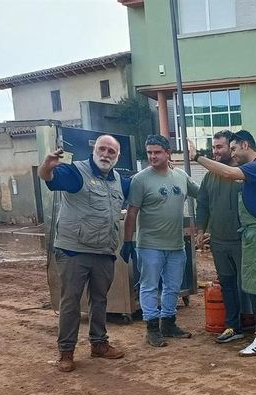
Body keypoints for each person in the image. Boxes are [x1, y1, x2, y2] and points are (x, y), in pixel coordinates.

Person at [190, 130, 256, 356]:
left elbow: (227, 172)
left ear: (245, 145)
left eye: (233, 148)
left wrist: (197, 157)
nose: (233, 154)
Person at [39, 135, 128, 372]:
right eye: (102, 149)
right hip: (74, 250)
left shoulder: (119, 180)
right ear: (94, 150)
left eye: (111, 151)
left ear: (117, 156)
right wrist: (47, 165)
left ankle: (99, 344)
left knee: (100, 300)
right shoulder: (76, 172)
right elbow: (48, 177)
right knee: (71, 301)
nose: (106, 154)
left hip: (104, 250)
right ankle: (66, 352)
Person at [121, 135, 200, 347]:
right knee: (149, 287)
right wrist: (127, 242)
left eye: (157, 152)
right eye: (149, 153)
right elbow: (131, 213)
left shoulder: (181, 176)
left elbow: (203, 194)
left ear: (167, 153)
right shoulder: (140, 180)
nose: (153, 156)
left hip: (176, 245)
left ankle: (168, 323)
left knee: (172, 286)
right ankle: (152, 328)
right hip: (150, 246)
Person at [195, 130, 256, 344]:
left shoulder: (244, 172)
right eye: (214, 147)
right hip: (219, 242)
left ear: (232, 148)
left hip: (243, 240)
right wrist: (201, 231)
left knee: (250, 284)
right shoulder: (210, 176)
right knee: (228, 284)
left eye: (220, 147)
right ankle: (233, 326)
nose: (216, 151)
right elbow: (202, 204)